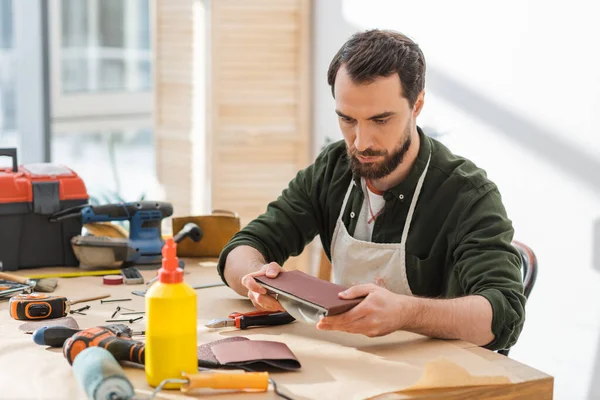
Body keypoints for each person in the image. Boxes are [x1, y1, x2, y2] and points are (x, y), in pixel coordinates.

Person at [217, 29, 525, 351]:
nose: (361, 143)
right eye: (348, 120)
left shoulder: (467, 195)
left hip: (444, 379)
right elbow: (242, 248)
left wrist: (406, 312)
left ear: (417, 105)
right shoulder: (333, 169)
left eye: (380, 120)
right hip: (358, 364)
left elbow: (503, 315)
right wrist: (256, 280)